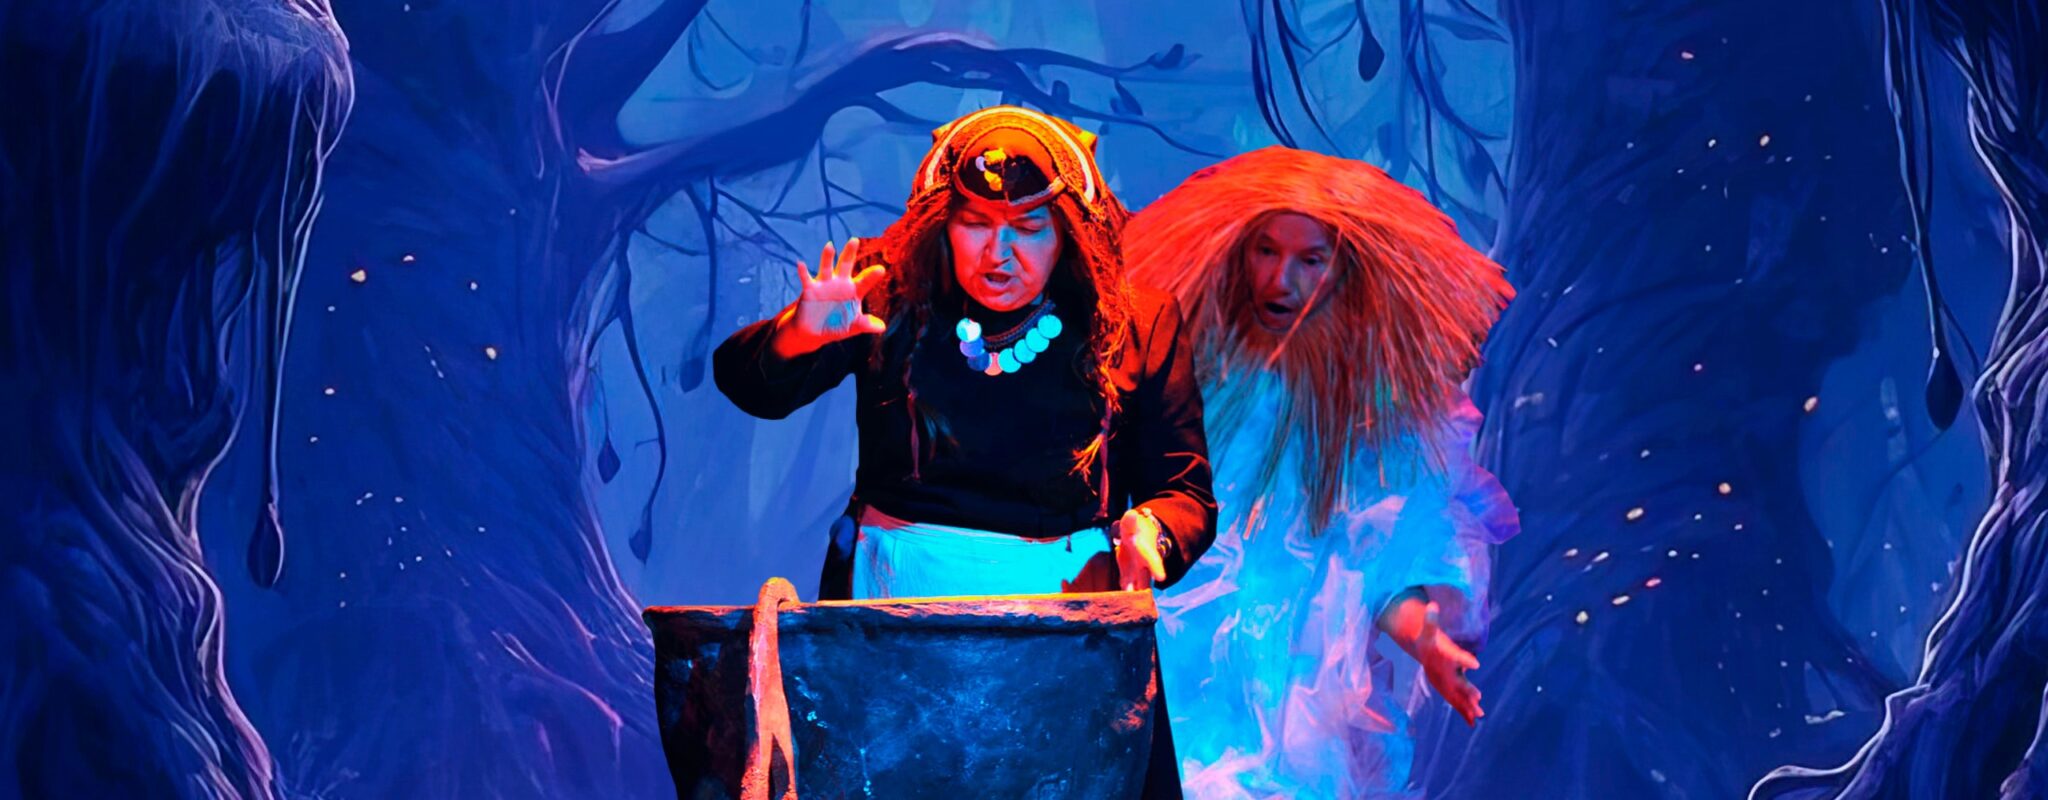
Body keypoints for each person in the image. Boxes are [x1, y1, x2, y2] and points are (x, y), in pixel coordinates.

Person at [712, 106, 1217, 796]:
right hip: (893, 627)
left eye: (1029, 229)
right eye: (975, 224)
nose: (997, 253)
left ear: (1069, 233)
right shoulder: (887, 298)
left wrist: (1151, 532)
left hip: (1064, 636)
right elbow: (748, 384)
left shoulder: (1135, 323)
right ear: (943, 224)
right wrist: (800, 335)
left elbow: (1185, 492)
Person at [1125, 146, 1521, 799]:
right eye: (1266, 251)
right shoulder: (1188, 376)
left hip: (1297, 687)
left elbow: (1383, 555)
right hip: (1180, 655)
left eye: (1310, 260)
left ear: (1344, 272)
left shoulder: (1376, 419)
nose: (1280, 279)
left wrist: (1427, 642)